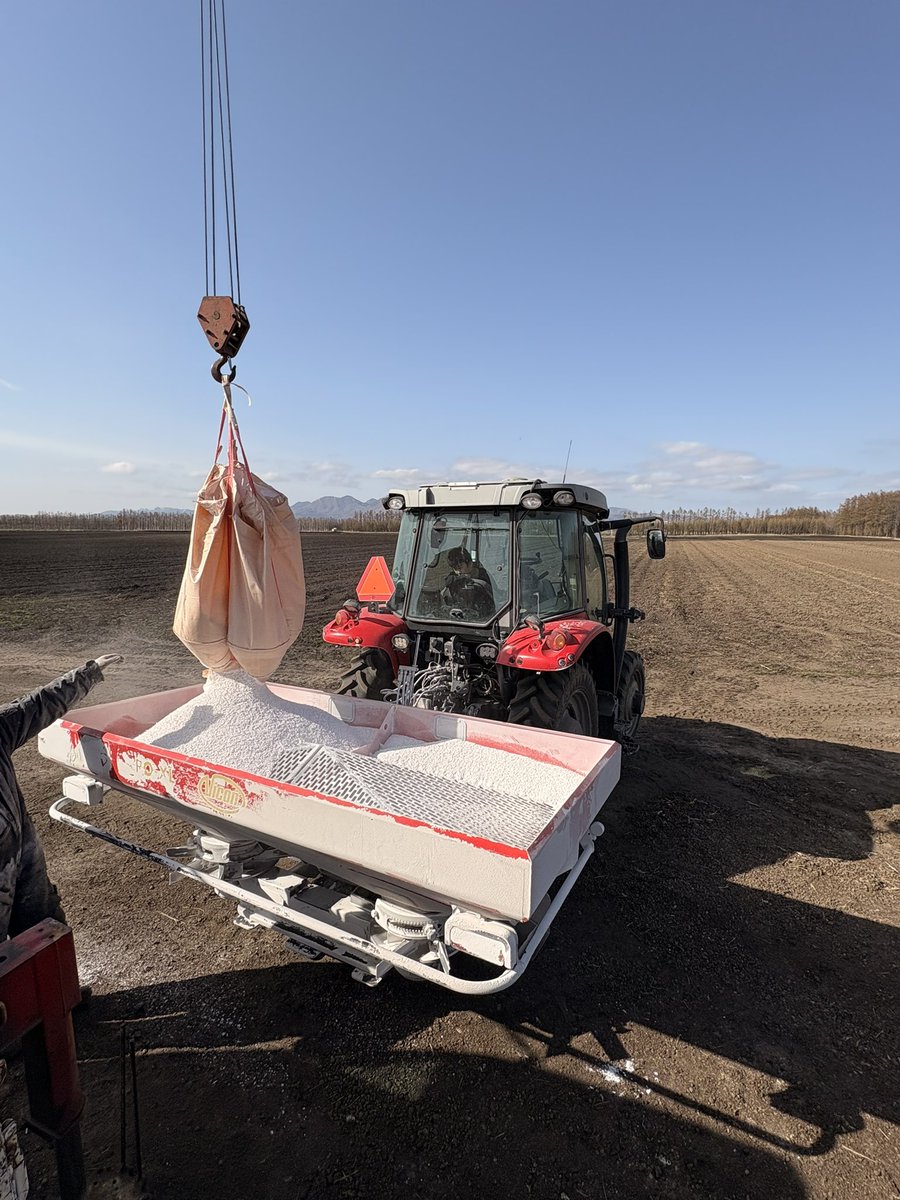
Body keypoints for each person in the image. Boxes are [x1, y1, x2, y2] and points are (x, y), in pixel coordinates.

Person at [0, 655, 123, 941]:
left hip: (23, 860)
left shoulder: (1, 730)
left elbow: (38, 705)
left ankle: (59, 987)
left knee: (45, 930)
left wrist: (87, 674)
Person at [443, 546, 495, 618]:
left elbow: (494, 595)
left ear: (470, 564)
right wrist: (463, 577)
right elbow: (448, 582)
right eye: (455, 569)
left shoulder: (484, 575)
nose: (458, 572)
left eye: (460, 567)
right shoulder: (454, 577)